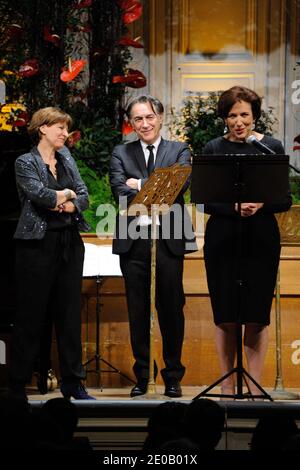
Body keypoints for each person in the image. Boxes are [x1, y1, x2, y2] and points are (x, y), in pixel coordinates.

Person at [202, 86, 292, 397]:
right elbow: (204, 201)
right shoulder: (213, 148)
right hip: (223, 238)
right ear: (224, 118)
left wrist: (263, 204)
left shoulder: (270, 147)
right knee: (226, 315)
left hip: (260, 238)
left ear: (254, 116)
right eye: (232, 115)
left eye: (244, 115)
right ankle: (227, 386)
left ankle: (254, 386)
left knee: (256, 315)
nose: (239, 121)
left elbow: (285, 199)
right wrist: (233, 207)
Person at [109, 95, 196, 398]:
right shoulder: (122, 152)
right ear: (131, 123)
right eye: (137, 119)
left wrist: (138, 183)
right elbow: (119, 189)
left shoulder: (179, 149)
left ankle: (172, 375)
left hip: (169, 240)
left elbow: (178, 186)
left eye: (149, 117)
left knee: (171, 310)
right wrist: (151, 182)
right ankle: (143, 375)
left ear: (160, 117)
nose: (144, 124)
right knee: (138, 310)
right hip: (134, 241)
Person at [9, 106, 95, 400]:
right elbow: (40, 196)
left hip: (69, 242)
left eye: (66, 128)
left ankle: (73, 382)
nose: (64, 133)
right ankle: (18, 382)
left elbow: (84, 196)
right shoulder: (25, 161)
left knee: (69, 314)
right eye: (59, 127)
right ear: (43, 128)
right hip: (37, 244)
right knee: (31, 315)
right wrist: (63, 196)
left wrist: (68, 199)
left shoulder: (66, 157)